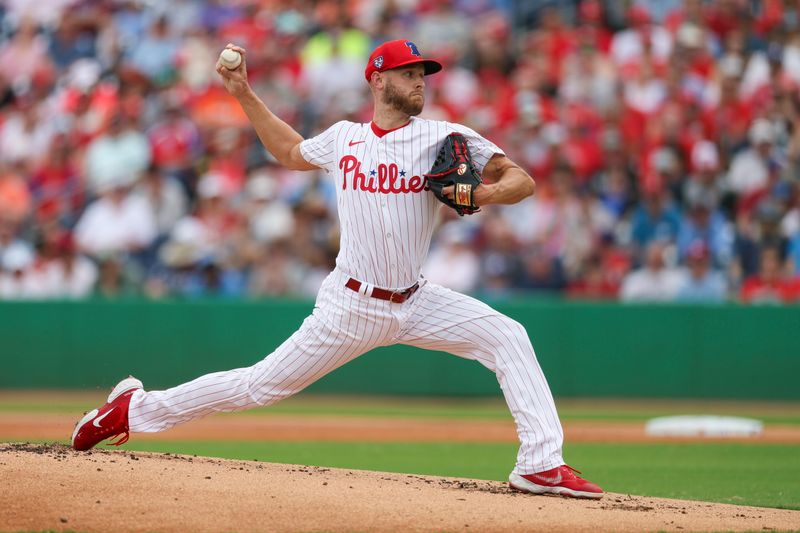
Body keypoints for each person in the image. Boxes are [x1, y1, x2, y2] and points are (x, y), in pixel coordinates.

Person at [70, 40, 603, 499]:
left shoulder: (442, 136)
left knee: (507, 335)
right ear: (377, 79)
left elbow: (522, 180)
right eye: (408, 74)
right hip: (350, 304)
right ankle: (130, 412)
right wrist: (242, 92)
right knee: (259, 387)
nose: (419, 83)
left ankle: (539, 464)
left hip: (417, 301)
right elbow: (289, 152)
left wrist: (482, 192)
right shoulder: (344, 137)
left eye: (423, 74)